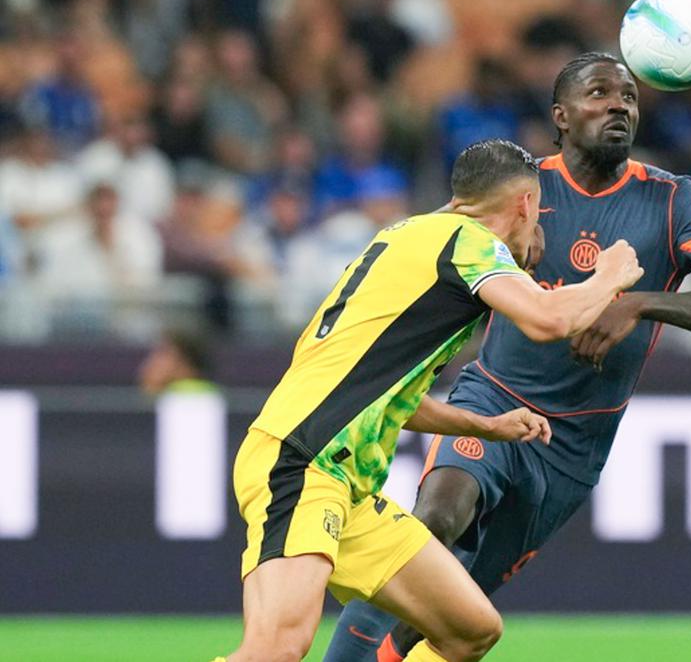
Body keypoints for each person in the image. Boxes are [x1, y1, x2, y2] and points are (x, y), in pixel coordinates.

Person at [323, 52, 691, 662]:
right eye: (599, 94)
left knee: (453, 610)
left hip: (573, 448)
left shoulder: (671, 200)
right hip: (494, 398)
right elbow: (445, 252)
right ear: (560, 115)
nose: (619, 106)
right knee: (432, 524)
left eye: (629, 98)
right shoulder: (526, 190)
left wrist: (638, 304)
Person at [214, 138, 644, 662]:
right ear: (526, 204)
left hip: (345, 484)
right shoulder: (466, 241)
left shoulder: (409, 238)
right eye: (538, 217)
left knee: (469, 628)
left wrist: (486, 427)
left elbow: (392, 398)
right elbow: (548, 319)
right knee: (276, 648)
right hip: (303, 462)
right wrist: (612, 276)